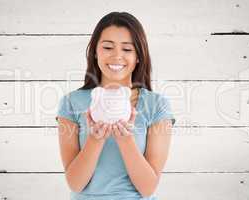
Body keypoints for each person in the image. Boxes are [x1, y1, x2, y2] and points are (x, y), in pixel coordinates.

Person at [56, 11, 176, 200]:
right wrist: (95, 140)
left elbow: (148, 188)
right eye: (108, 47)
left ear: (138, 56)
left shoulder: (157, 105)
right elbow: (75, 183)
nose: (117, 56)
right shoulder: (71, 103)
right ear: (95, 52)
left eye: (127, 49)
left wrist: (125, 140)